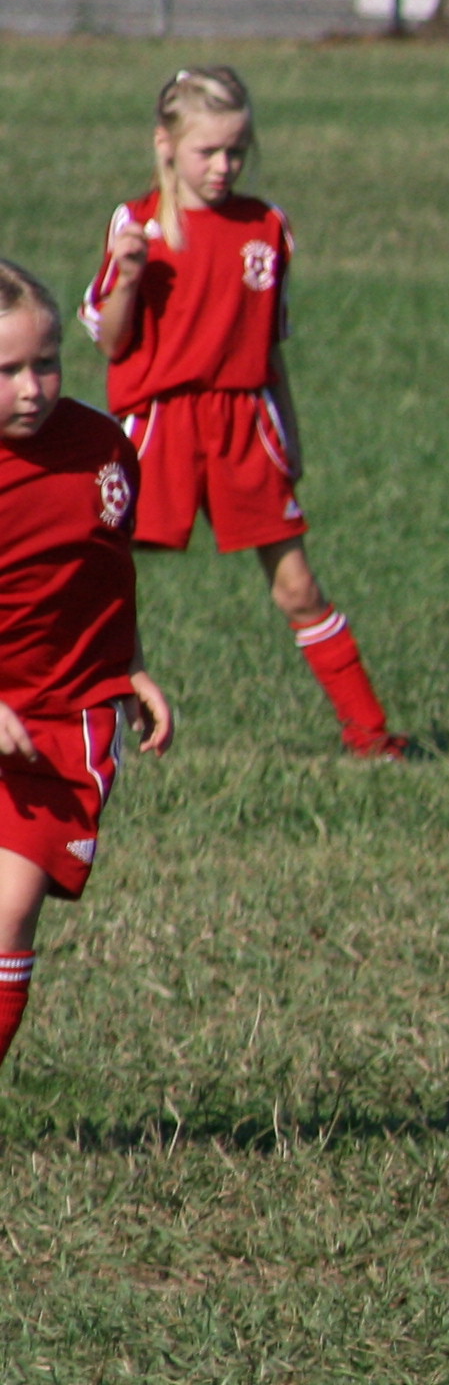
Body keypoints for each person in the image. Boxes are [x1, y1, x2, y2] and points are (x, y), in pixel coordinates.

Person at [81, 66, 403, 759]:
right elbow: (110, 341)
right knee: (99, 573)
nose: (224, 165)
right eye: (209, 151)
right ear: (166, 144)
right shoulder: (137, 224)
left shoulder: (267, 226)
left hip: (244, 425)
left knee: (298, 586)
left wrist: (291, 435)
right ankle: (85, 726)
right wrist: (127, 278)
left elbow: (271, 349)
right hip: (159, 424)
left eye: (236, 150)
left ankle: (371, 735)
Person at [0, 260, 174, 1070]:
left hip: (56, 724)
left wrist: (130, 666)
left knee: (11, 916)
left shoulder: (102, 448)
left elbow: (107, 571)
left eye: (46, 363)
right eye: (7, 370)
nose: (31, 388)